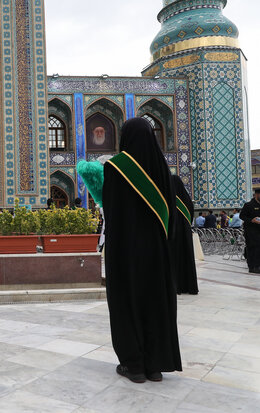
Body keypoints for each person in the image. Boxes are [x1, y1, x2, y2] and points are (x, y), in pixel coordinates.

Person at [102, 117, 181, 383]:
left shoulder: (116, 167)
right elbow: (170, 215)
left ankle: (133, 365)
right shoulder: (163, 168)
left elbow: (112, 214)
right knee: (155, 302)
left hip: (125, 251)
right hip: (157, 254)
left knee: (127, 301)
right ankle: (155, 365)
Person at [170, 175, 198, 294]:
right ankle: (189, 286)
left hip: (173, 234)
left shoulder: (170, 200)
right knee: (187, 258)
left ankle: (177, 286)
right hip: (185, 235)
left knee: (175, 259)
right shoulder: (187, 200)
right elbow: (190, 216)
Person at [240, 189, 260, 274]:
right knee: (253, 248)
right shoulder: (248, 205)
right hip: (251, 231)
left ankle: (258, 265)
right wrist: (251, 220)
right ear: (256, 194)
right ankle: (252, 266)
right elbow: (242, 216)